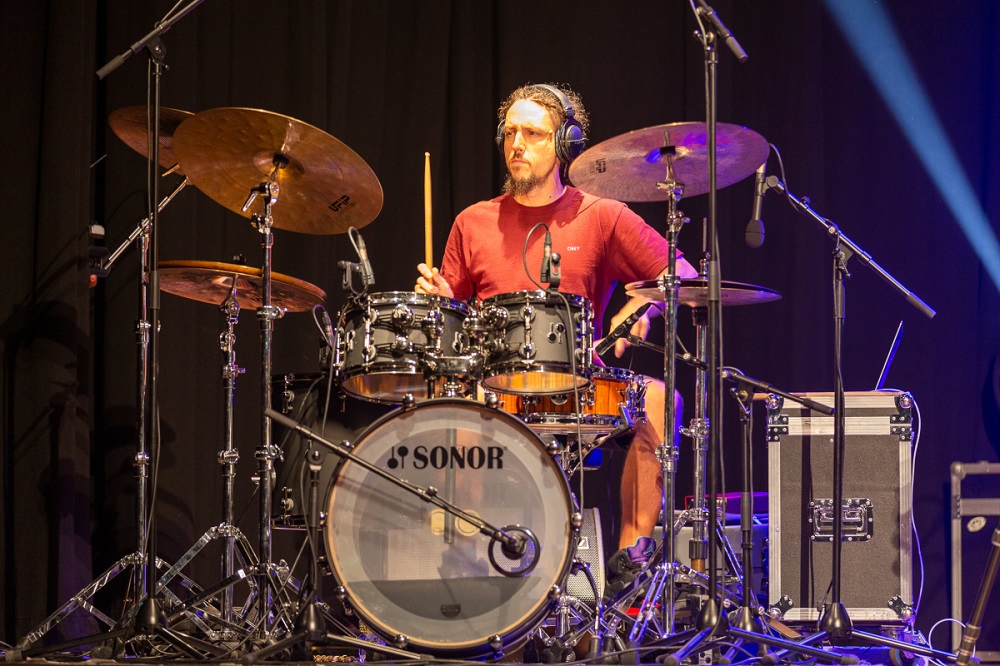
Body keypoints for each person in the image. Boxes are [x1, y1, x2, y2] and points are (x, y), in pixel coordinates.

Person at [414, 82, 698, 598]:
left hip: (582, 383)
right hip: (495, 388)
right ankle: (471, 566)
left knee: (661, 400)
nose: (517, 144)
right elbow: (447, 320)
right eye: (509, 133)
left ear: (565, 144)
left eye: (533, 134)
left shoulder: (601, 214)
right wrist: (440, 299)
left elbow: (681, 272)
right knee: (454, 405)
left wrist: (642, 307)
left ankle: (628, 570)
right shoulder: (472, 222)